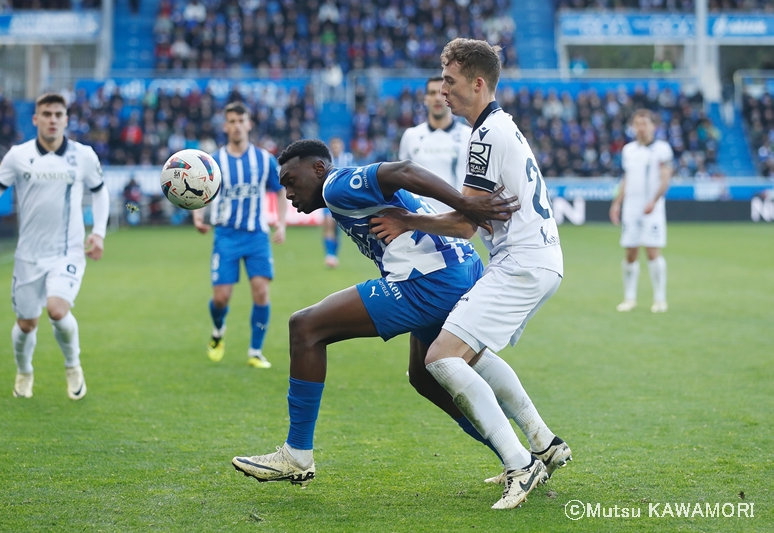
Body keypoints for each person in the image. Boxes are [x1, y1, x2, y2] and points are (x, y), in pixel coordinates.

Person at [230, 139, 520, 507]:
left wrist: (465, 204)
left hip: (428, 283)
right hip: (457, 271)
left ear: (318, 169)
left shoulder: (336, 184)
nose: (287, 192)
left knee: (305, 327)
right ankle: (520, 459)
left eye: (291, 180)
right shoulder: (340, 195)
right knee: (424, 376)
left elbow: (403, 170)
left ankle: (296, 454)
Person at [369, 38, 571, 509]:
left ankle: (521, 465)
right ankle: (543, 441)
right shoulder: (502, 127)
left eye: (451, 82)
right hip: (535, 258)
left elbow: (463, 224)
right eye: (441, 81)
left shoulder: (483, 136)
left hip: (521, 262)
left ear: (478, 84)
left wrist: (406, 221)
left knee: (438, 359)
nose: (443, 91)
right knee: (467, 352)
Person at [0, 92, 109, 400]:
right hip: (28, 255)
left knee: (57, 310)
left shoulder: (83, 155)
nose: (52, 120)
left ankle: (73, 366)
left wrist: (98, 232)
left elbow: (100, 192)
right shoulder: (18, 155)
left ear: (66, 119)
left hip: (68, 250)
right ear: (35, 119)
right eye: (46, 114)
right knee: (26, 323)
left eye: (58, 114)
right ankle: (24, 371)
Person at [192, 102, 288, 368]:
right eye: (231, 121)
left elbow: (279, 190)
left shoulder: (263, 159)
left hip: (257, 235)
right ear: (225, 126)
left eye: (240, 120)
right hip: (226, 235)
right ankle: (218, 330)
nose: (236, 126)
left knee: (261, 292)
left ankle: (255, 351)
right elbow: (199, 191)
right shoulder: (214, 161)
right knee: (221, 297)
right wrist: (198, 217)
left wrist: (280, 223)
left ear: (249, 124)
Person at [610, 109, 672, 313]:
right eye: (637, 123)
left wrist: (654, 201)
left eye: (645, 123)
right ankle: (629, 298)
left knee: (653, 251)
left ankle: (660, 299)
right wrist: (617, 203)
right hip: (631, 208)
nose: (641, 127)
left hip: (652, 208)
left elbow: (665, 179)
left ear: (653, 126)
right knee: (630, 251)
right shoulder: (628, 150)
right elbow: (626, 179)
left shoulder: (662, 149)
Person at [398, 76, 470, 213]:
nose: (437, 98)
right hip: (419, 220)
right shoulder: (410, 136)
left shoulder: (469, 136)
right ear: (425, 99)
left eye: (442, 93)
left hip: (456, 220)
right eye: (432, 93)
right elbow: (402, 181)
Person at [320, 137, 354, 268]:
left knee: (338, 227)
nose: (336, 148)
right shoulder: (325, 161)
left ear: (342, 147)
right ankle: (329, 255)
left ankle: (334, 254)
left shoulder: (348, 159)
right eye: (333, 146)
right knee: (328, 223)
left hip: (343, 199)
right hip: (327, 198)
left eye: (338, 146)